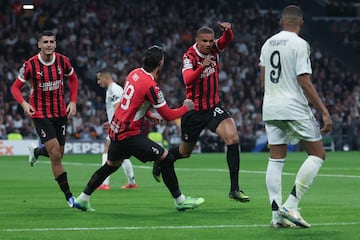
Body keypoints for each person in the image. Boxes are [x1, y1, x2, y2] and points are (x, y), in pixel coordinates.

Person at [73, 45, 204, 212]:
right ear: (161, 63)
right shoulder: (151, 86)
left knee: (110, 166)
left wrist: (148, 114)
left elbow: (132, 102)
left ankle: (82, 199)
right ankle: (180, 200)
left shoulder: (133, 73)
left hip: (116, 130)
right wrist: (186, 107)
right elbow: (169, 115)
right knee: (167, 158)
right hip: (129, 134)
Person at [152, 22, 250, 202]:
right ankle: (162, 159)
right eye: (204, 41)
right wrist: (202, 66)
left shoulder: (215, 48)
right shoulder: (189, 56)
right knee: (185, 152)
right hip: (194, 110)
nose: (208, 44)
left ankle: (234, 189)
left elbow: (227, 40)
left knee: (233, 138)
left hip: (213, 106)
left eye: (211, 40)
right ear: (197, 41)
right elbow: (187, 79)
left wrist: (228, 31)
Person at [259, 5, 333, 228]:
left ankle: (276, 217)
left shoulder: (267, 44)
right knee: (318, 154)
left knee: (276, 159)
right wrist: (323, 110)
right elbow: (304, 80)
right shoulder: (300, 44)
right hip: (293, 106)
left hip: (270, 105)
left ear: (282, 21)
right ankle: (291, 204)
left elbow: (263, 80)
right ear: (300, 23)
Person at [11, 30, 79, 207]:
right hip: (40, 114)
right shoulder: (30, 65)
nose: (49, 45)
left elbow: (73, 79)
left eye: (52, 42)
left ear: (55, 44)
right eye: (45, 42)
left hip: (60, 113)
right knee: (55, 153)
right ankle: (69, 197)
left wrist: (72, 101)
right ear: (39, 45)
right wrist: (25, 104)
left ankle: (36, 152)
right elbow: (15, 88)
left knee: (59, 154)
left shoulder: (63, 61)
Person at [95, 68, 137, 190]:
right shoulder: (112, 89)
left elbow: (119, 107)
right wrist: (110, 121)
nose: (98, 82)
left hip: (119, 127)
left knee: (107, 151)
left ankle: (104, 183)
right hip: (117, 125)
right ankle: (132, 182)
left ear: (106, 77)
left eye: (99, 79)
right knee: (122, 157)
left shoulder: (114, 89)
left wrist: (115, 123)